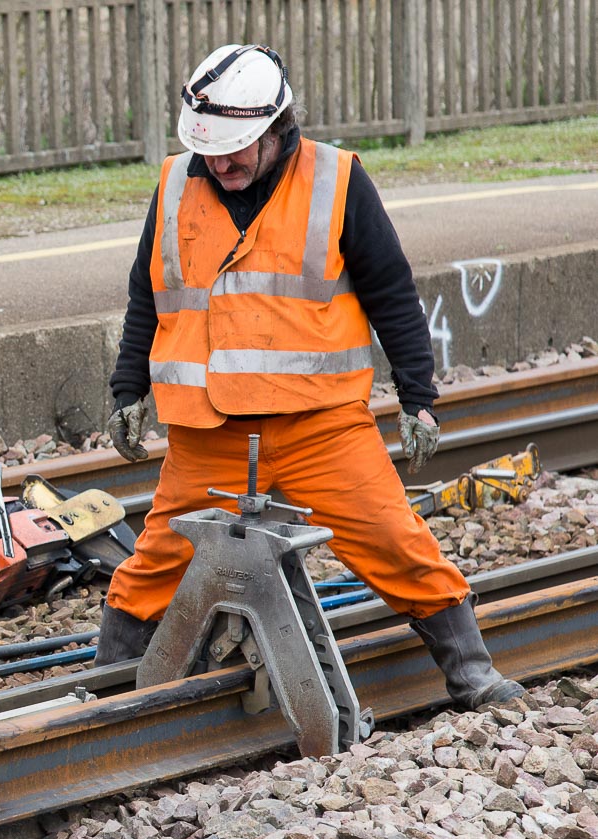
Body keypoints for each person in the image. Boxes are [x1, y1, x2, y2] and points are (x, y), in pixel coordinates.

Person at [99, 43, 524, 710]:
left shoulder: (336, 180)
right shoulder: (178, 184)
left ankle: (473, 675)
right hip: (209, 433)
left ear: (276, 128)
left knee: (395, 543)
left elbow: (392, 293)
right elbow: (147, 294)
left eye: (234, 150)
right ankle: (103, 701)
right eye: (209, 151)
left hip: (318, 426)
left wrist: (418, 397)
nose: (220, 164)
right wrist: (129, 389)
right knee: (154, 566)